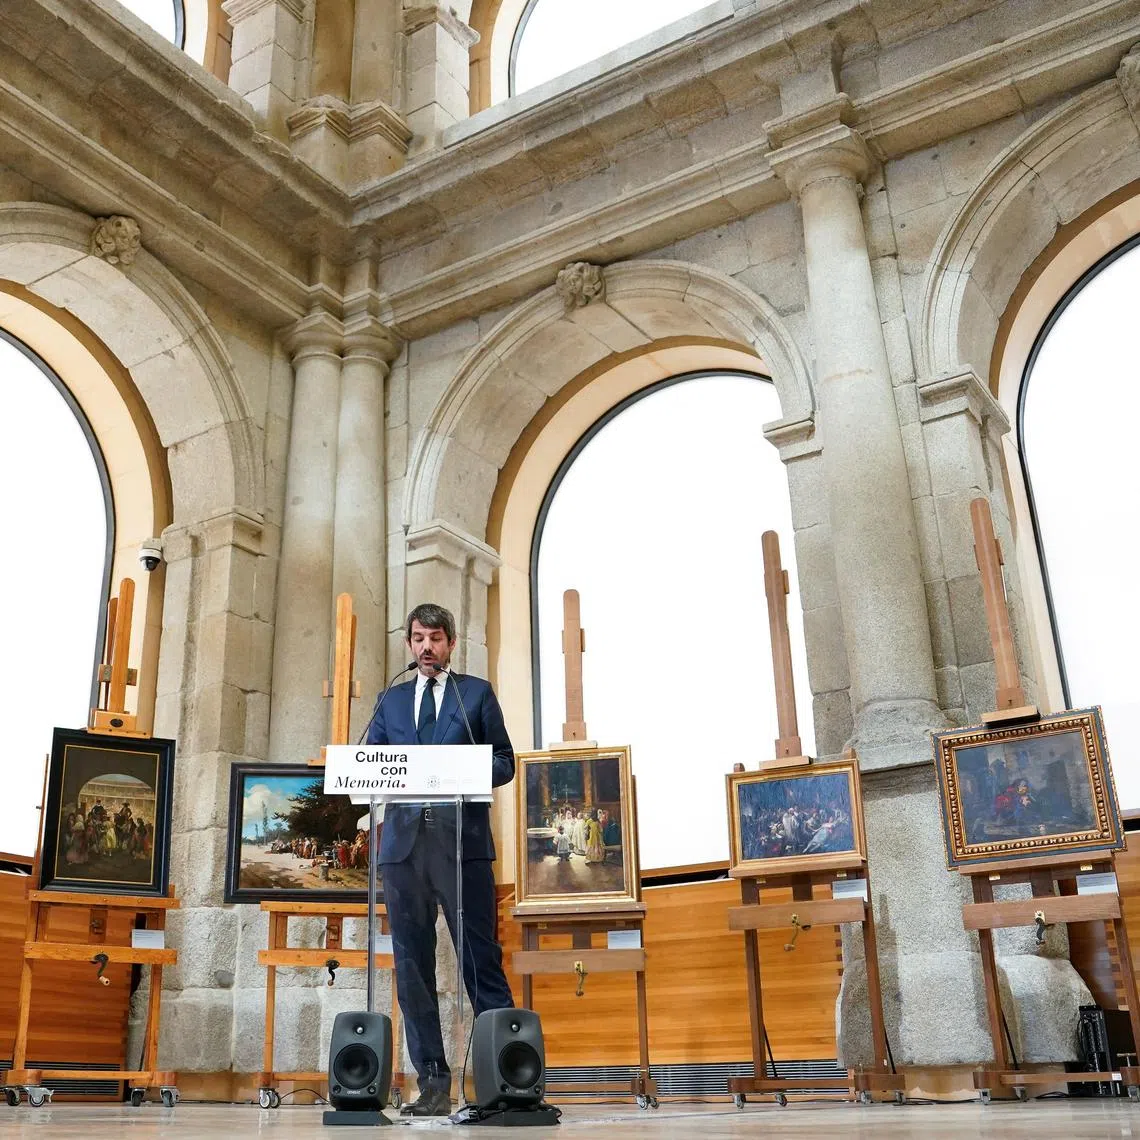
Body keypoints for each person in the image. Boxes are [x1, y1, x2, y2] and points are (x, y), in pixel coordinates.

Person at [365, 602, 516, 1117]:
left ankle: (503, 1080)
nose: (426, 646)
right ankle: (432, 1084)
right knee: (412, 968)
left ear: (451, 643)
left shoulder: (474, 694)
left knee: (480, 960)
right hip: (403, 851)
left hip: (461, 847)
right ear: (409, 644)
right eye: (418, 638)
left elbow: (504, 762)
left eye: (435, 638)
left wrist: (460, 769)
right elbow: (372, 764)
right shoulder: (389, 700)